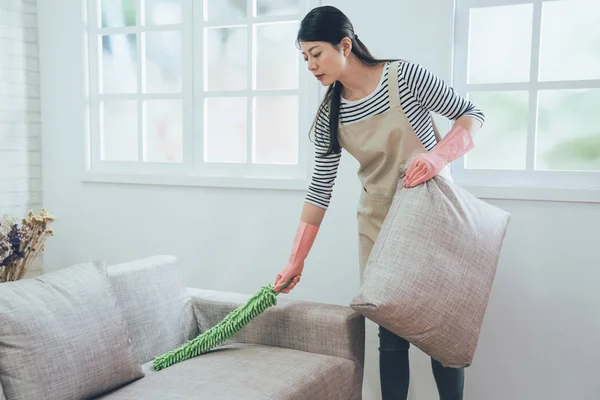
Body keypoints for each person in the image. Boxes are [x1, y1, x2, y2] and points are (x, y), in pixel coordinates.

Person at [273, 5, 484, 400]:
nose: (310, 65)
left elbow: (471, 114)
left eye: (315, 53)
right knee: (390, 333)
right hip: (379, 225)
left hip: (431, 215)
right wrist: (295, 260)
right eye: (304, 57)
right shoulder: (328, 116)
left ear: (345, 44)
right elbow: (320, 189)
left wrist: (438, 157)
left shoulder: (403, 77)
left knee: (445, 330)